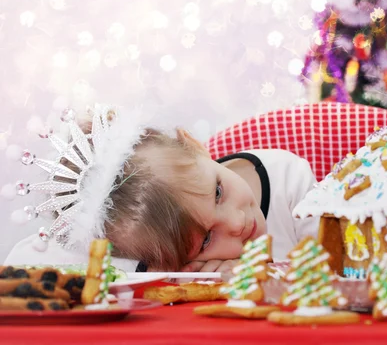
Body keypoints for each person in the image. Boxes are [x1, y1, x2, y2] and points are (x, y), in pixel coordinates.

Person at [4, 106, 319, 274]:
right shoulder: (168, 263)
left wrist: (266, 272)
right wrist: (160, 269)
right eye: (206, 240)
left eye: (219, 193)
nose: (237, 224)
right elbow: (21, 263)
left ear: (194, 146)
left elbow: (353, 268)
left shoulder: (288, 182)